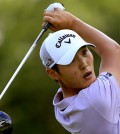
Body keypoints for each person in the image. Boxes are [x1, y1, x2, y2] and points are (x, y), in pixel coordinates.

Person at [39, 8, 120, 134]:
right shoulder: (95, 99)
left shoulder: (61, 104)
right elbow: (113, 51)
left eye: (84, 52)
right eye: (70, 60)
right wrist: (72, 23)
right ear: (53, 73)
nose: (83, 64)